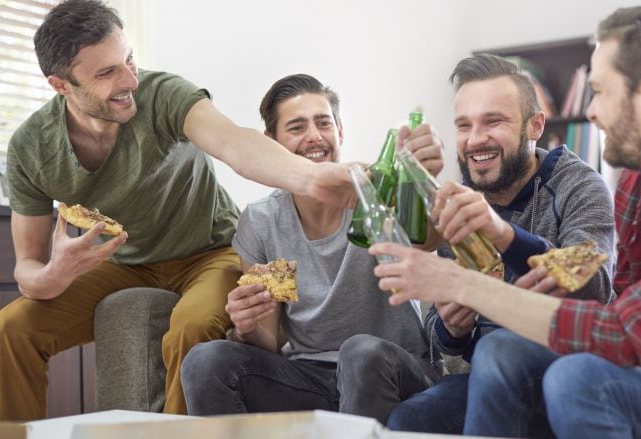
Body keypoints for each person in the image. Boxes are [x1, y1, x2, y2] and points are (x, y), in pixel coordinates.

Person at [373, 4, 641, 438]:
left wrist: (463, 280)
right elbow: (617, 299)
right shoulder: (635, 187)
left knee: (574, 379)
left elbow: (619, 327)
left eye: (600, 91)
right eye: (464, 125)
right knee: (491, 362)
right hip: (640, 378)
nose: (591, 111)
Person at [0, 0, 353, 422]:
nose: (130, 79)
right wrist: (56, 273)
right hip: (126, 262)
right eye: (107, 72)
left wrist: (311, 179)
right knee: (10, 328)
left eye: (128, 59)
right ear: (61, 85)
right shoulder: (31, 149)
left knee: (193, 324)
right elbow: (28, 270)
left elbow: (233, 142)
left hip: (210, 252)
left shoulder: (162, 94)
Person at [180, 73, 444, 423]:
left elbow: (427, 240)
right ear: (269, 143)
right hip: (311, 378)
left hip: (393, 368)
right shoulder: (263, 222)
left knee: (360, 351)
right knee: (205, 360)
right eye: (297, 127)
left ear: (340, 132)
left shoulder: (376, 193)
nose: (315, 137)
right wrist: (247, 326)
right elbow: (268, 340)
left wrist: (422, 178)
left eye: (324, 123)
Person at [385, 53, 615, 435]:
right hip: (484, 377)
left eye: (493, 121)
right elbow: (442, 345)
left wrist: (503, 234)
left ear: (535, 125)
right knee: (408, 420)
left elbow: (594, 284)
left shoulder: (580, 185)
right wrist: (451, 330)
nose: (476, 140)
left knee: (501, 348)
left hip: (565, 371)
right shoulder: (454, 201)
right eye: (464, 126)